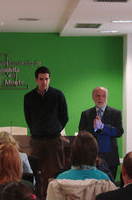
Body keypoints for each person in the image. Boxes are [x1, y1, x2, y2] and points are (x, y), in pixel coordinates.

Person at [24, 66, 69, 196]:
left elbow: (64, 117)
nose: (44, 82)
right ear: (36, 80)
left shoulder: (58, 95)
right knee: (36, 171)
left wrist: (55, 129)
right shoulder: (29, 97)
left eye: (47, 79)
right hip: (37, 140)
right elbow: (28, 118)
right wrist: (36, 130)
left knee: (57, 171)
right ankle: (38, 196)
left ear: (49, 79)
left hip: (54, 140)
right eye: (41, 79)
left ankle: (57, 197)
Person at [79, 86, 124, 179]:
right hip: (91, 156)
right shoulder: (85, 114)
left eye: (103, 96)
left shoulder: (116, 113)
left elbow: (119, 132)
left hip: (110, 157)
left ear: (107, 97)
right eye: (98, 95)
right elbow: (82, 133)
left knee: (110, 186)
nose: (100, 98)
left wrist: (103, 127)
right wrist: (95, 128)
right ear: (93, 97)